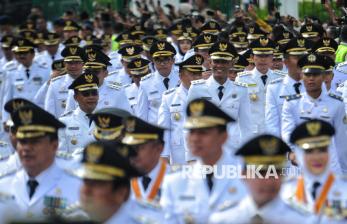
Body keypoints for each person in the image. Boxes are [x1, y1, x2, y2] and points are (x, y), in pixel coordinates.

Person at [160, 99, 247, 223]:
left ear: (223, 137)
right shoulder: (175, 182)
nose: (195, 139)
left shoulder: (247, 176)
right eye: (192, 132)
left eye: (203, 132)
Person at [0, 104, 81, 220]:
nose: (27, 148)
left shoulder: (77, 187)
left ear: (54, 145)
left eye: (34, 142)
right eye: (23, 141)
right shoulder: (3, 184)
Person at [209, 134, 313, 224]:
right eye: (260, 173)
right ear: (244, 174)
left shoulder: (302, 220)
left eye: (274, 173)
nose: (268, 181)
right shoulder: (223, 220)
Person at [68, 141, 164, 223]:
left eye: (97, 184)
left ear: (122, 193)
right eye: (85, 181)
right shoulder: (71, 217)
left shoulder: (153, 219)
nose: (86, 191)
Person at [282, 53, 347, 174]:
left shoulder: (337, 103)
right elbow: (287, 132)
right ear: (301, 76)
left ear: (323, 76)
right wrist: (293, 153)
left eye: (316, 74)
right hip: (300, 164)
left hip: (330, 166)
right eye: (307, 74)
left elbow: (341, 142)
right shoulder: (292, 103)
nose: (311, 78)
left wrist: (344, 172)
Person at [188, 41, 252, 152]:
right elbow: (189, 124)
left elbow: (246, 126)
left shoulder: (241, 90)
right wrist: (191, 156)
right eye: (216, 61)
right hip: (205, 150)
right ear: (210, 62)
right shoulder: (197, 88)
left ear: (232, 64)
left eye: (224, 62)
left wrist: (248, 156)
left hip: (233, 150)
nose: (220, 66)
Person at [282, 119, 347, 223]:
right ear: (299, 154)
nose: (316, 157)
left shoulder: (345, 189)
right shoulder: (285, 193)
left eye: (322, 150)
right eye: (309, 151)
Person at [158, 54, 203, 164]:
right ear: (180, 75)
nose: (197, 78)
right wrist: (164, 156)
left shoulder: (208, 94)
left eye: (199, 74)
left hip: (202, 153)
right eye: (192, 74)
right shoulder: (169, 97)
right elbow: (164, 129)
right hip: (179, 155)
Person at [236, 36, 285, 135]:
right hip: (252, 133)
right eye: (259, 56)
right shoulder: (242, 79)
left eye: (266, 56)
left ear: (272, 57)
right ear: (252, 57)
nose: (263, 60)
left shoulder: (281, 79)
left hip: (276, 132)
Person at [265, 37, 310, 137]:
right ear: (286, 62)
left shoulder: (314, 84)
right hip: (285, 145)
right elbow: (272, 123)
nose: (302, 62)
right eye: (297, 58)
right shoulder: (275, 88)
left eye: (304, 57)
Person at [2, 37, 50, 124]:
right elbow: (7, 97)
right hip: (19, 115)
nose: (21, 56)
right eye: (18, 53)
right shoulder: (11, 72)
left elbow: (48, 95)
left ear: (32, 54)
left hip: (39, 113)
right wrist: (5, 119)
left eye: (24, 53)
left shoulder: (45, 71)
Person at [121, 115, 169, 203]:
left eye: (138, 148)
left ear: (159, 148)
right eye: (129, 148)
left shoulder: (178, 178)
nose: (132, 154)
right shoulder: (121, 180)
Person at [136, 40, 180, 124]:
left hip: (178, 131)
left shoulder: (182, 78)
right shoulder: (146, 83)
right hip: (157, 131)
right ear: (153, 61)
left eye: (166, 59)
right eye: (158, 60)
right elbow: (142, 115)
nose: (162, 63)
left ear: (173, 60)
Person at [58, 72, 99, 153]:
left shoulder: (106, 119)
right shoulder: (64, 122)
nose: (91, 97)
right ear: (76, 97)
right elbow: (62, 155)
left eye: (94, 93)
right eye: (86, 94)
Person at [44, 46, 86, 117]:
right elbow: (49, 112)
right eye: (70, 63)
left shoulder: (92, 82)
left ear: (83, 64)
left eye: (77, 62)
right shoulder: (55, 84)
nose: (73, 66)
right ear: (64, 64)